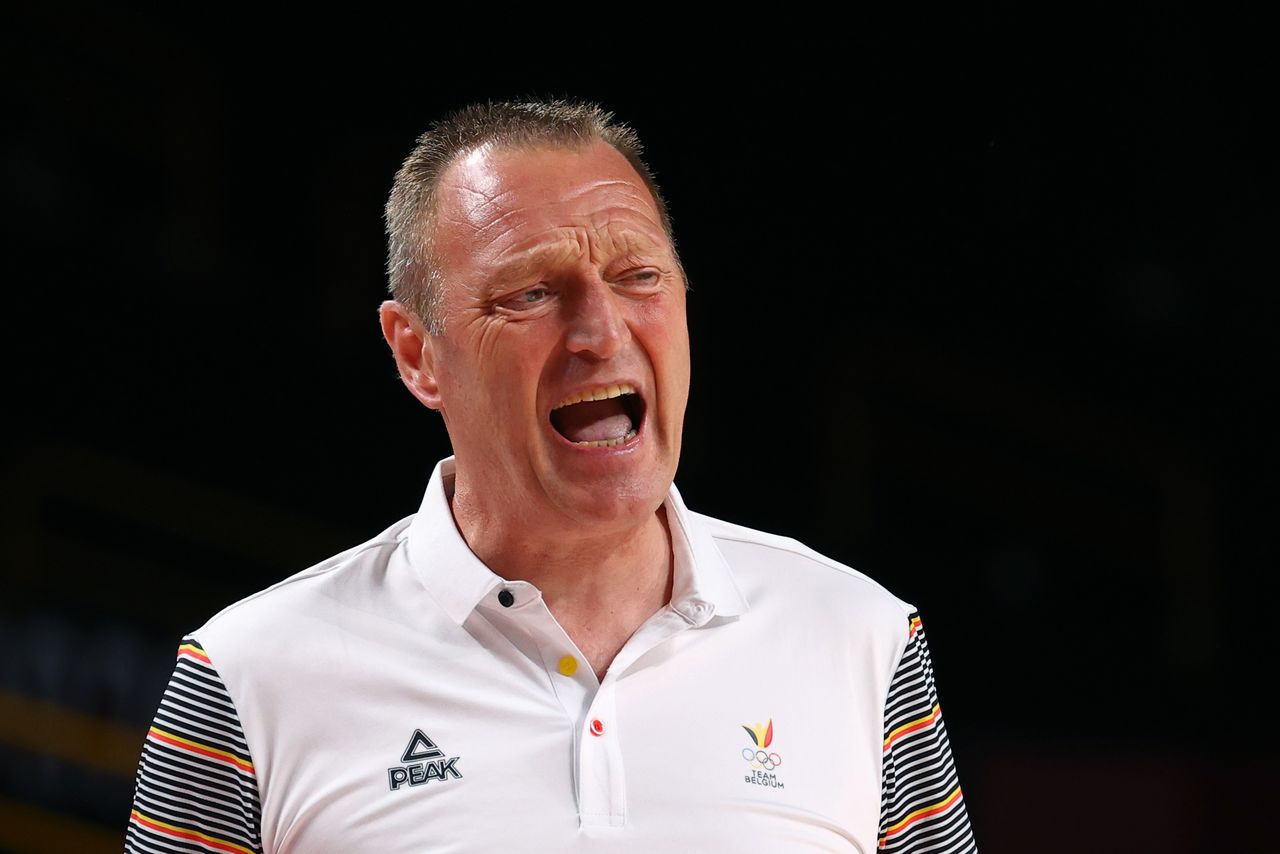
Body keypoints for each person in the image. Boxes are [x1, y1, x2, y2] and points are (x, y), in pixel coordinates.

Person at [125, 99, 978, 853]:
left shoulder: (861, 636)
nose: (601, 332)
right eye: (532, 293)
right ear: (417, 353)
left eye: (638, 277)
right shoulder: (246, 674)